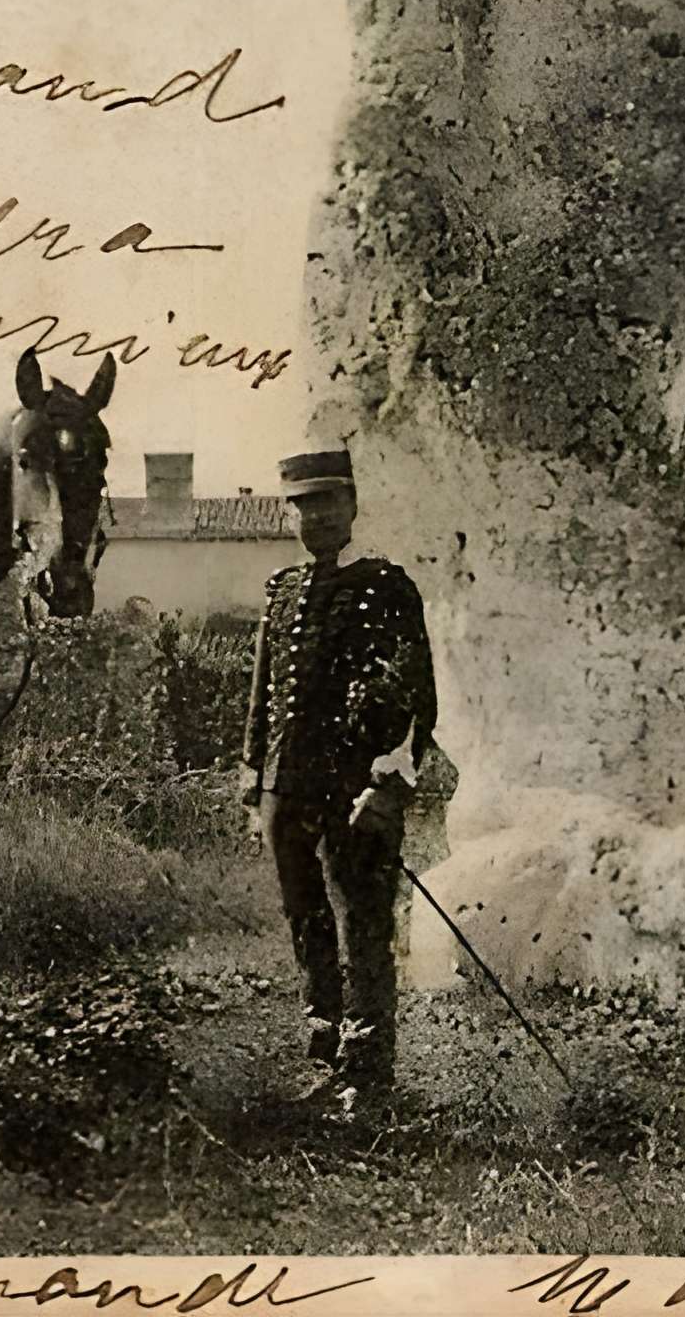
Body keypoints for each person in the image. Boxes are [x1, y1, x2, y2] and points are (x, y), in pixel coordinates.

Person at [239, 447, 437, 1111]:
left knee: (363, 925)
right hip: (284, 784)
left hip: (354, 788)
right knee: (306, 921)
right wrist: (253, 771)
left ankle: (367, 1072)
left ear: (353, 506)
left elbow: (418, 696)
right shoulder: (282, 588)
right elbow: (265, 689)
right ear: (288, 512)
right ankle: (322, 1053)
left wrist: (389, 785)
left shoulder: (387, 586)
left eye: (329, 502)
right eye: (304, 505)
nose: (317, 517)